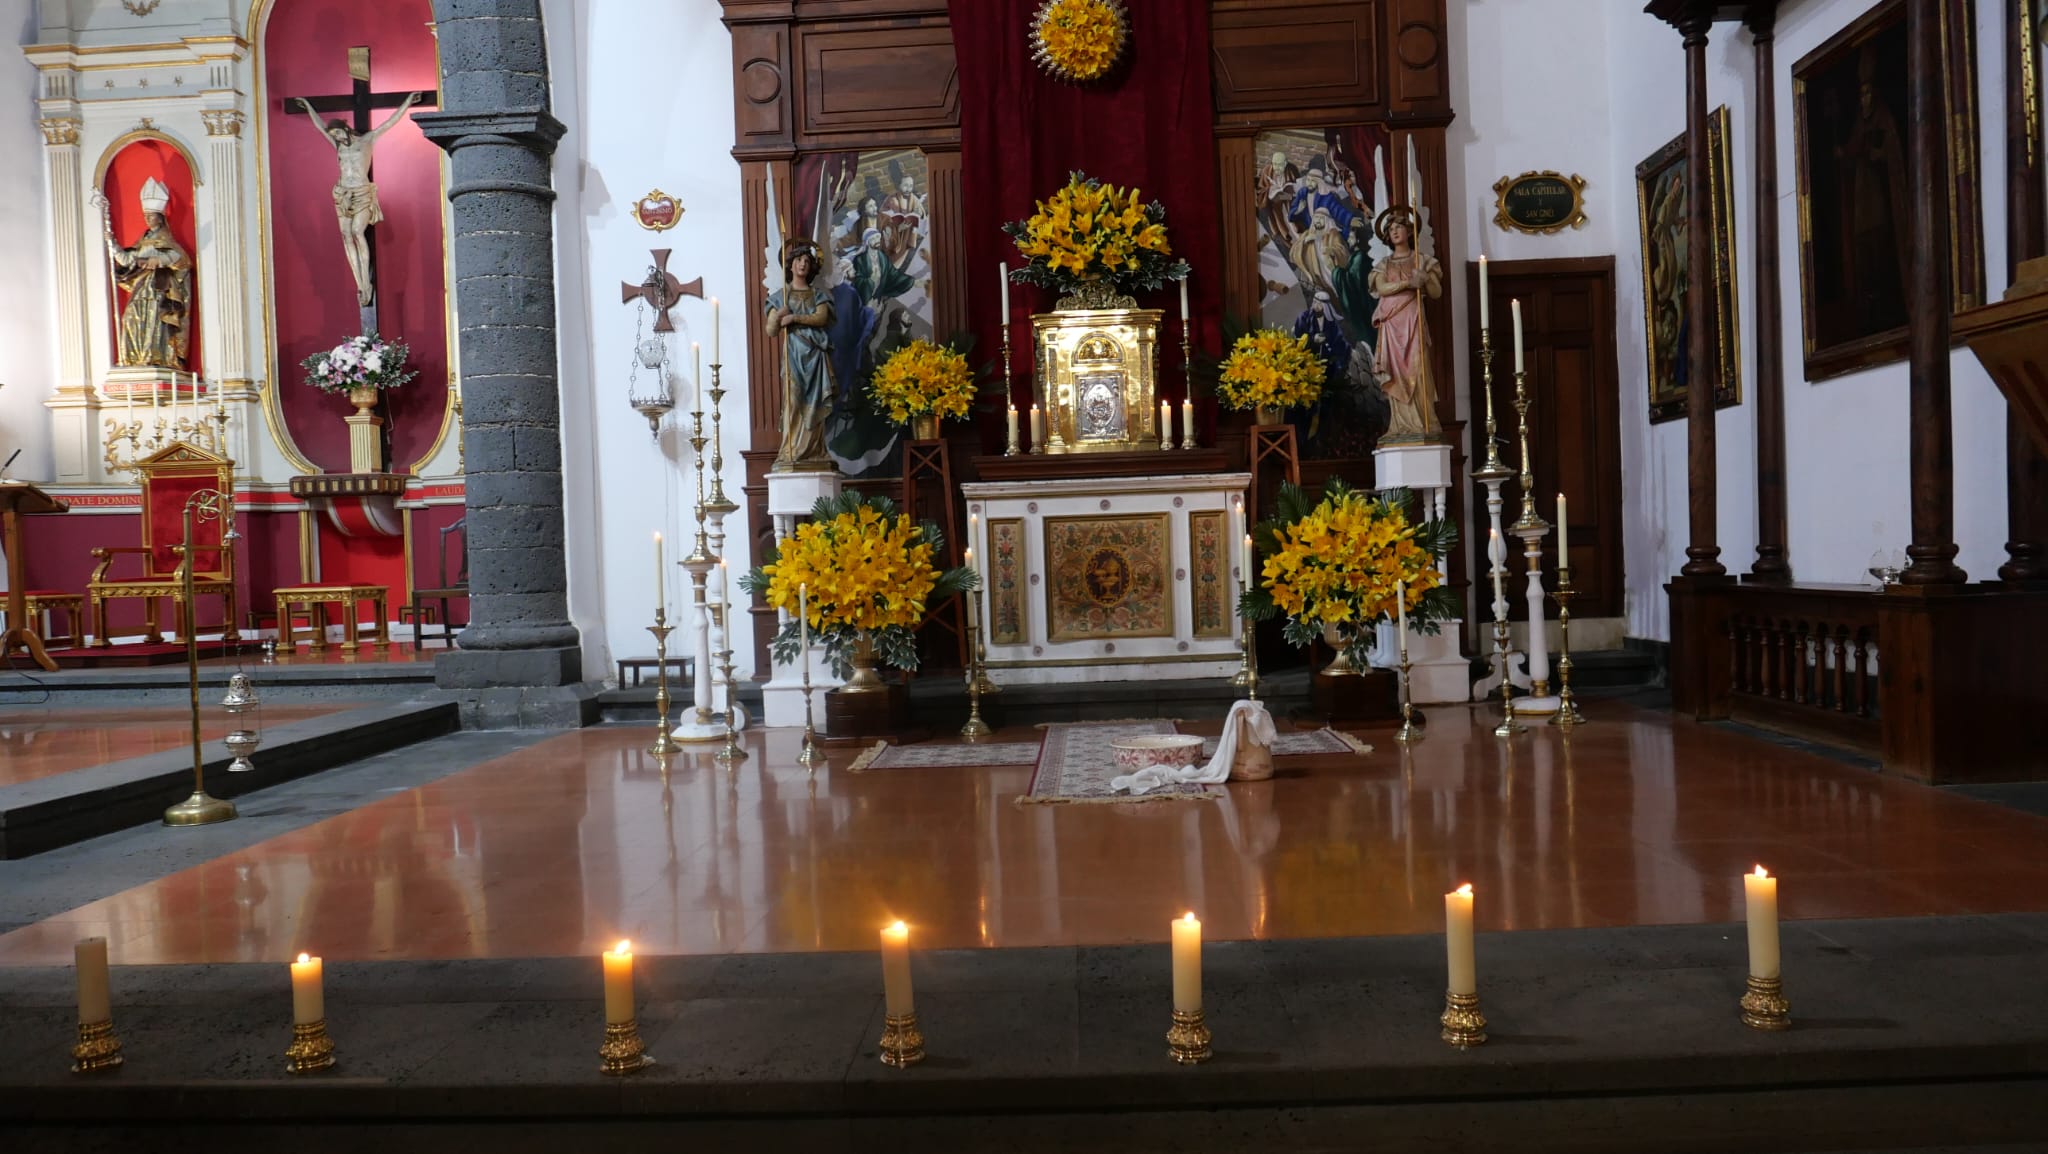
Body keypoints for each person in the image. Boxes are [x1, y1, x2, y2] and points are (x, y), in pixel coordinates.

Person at [295, 90, 424, 308]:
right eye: (334, 136)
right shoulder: (338, 145)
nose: (337, 138)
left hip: (362, 192)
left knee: (357, 231)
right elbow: (320, 126)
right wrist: (308, 106)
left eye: (338, 133)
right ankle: (361, 284)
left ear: (345, 129)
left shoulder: (367, 140)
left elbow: (390, 122)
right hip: (343, 194)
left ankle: (366, 280)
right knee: (346, 235)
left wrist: (408, 101)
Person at [1368, 206, 1444, 442]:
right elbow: (1382, 288)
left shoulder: (1422, 260)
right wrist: (1408, 283)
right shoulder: (1384, 264)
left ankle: (1423, 422)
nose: (1395, 232)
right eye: (1391, 229)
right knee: (1396, 372)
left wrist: (1424, 279)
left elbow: (1436, 292)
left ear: (1409, 232)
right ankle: (1400, 424)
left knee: (1418, 370)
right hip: (1392, 323)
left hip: (1413, 320)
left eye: (1399, 227)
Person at [108, 178, 193, 369]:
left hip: (159, 287)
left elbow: (181, 259)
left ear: (160, 217)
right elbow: (126, 260)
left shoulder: (166, 240)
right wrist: (113, 244)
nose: (147, 219)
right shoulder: (142, 241)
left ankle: (154, 357)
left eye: (151, 215)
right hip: (141, 286)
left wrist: (158, 260)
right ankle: (133, 358)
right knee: (130, 317)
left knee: (154, 321)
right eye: (145, 215)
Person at [769, 240, 837, 472]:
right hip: (793, 357)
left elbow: (821, 317)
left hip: (816, 357)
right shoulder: (781, 296)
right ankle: (790, 450)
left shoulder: (818, 295)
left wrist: (794, 318)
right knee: (793, 400)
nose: (803, 264)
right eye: (799, 260)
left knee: (815, 402)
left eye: (807, 261)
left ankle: (814, 451)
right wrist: (778, 315)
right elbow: (771, 330)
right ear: (790, 264)